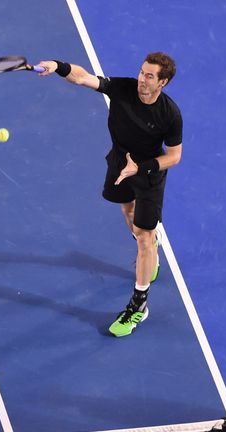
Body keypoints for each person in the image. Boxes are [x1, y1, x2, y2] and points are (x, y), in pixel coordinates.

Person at [35, 53, 183, 337]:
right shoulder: (123, 88)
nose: (142, 79)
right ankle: (150, 245)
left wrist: (140, 167)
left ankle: (138, 306)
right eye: (142, 72)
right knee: (127, 212)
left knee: (143, 235)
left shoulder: (170, 114)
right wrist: (58, 66)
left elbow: (174, 156)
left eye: (150, 76)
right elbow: (82, 77)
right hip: (118, 163)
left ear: (163, 82)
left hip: (148, 174)